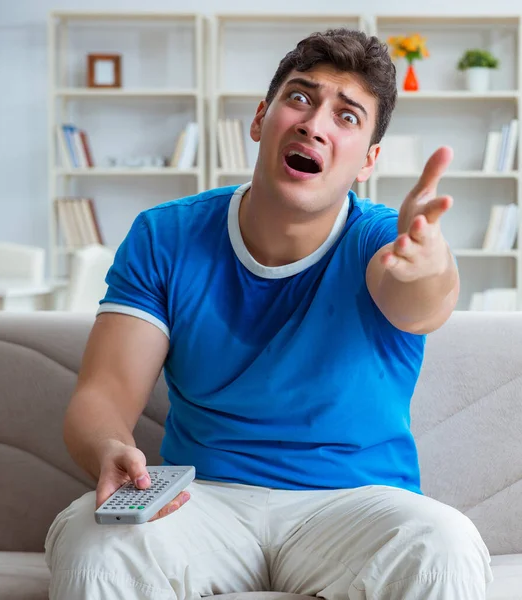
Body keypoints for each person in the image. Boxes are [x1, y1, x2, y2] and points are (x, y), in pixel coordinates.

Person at [45, 27, 493, 600]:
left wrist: (428, 265)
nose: (315, 124)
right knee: (92, 541)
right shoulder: (167, 235)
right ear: (261, 119)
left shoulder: (383, 241)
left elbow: (423, 301)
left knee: (445, 546)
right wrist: (107, 447)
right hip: (202, 499)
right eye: (300, 98)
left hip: (353, 507)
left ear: (368, 162)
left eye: (348, 117)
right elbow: (104, 392)